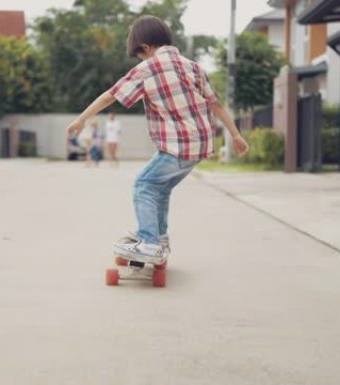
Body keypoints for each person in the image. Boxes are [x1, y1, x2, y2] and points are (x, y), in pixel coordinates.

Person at [66, 15, 249, 264]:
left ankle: (150, 243)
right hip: (198, 149)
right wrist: (236, 135)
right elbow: (216, 104)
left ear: (145, 47)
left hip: (176, 148)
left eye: (140, 55)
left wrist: (82, 119)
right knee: (161, 189)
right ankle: (159, 237)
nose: (141, 59)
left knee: (144, 185)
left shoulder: (147, 69)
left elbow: (111, 95)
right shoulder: (194, 67)